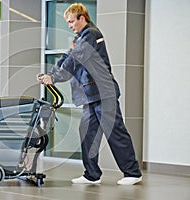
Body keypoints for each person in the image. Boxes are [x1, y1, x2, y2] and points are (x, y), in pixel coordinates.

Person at [37, 3, 142, 185]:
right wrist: (51, 74)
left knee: (115, 132)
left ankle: (132, 172)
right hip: (90, 95)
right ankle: (91, 175)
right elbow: (66, 57)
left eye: (71, 21)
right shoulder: (79, 38)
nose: (69, 25)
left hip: (104, 93)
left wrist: (54, 78)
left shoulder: (92, 35)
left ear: (82, 18)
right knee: (87, 133)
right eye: (68, 22)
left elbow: (75, 60)